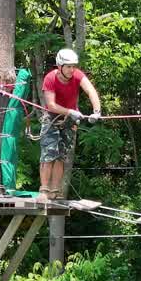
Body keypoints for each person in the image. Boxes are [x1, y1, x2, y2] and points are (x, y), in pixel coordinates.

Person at [38, 48, 102, 201]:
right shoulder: (50, 78)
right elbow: (51, 105)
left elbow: (91, 91)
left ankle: (55, 191)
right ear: (60, 66)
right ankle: (44, 191)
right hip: (52, 118)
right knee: (48, 155)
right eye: (68, 66)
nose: (72, 69)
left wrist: (97, 111)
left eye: (73, 66)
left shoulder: (77, 75)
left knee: (61, 156)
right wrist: (70, 111)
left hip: (70, 120)